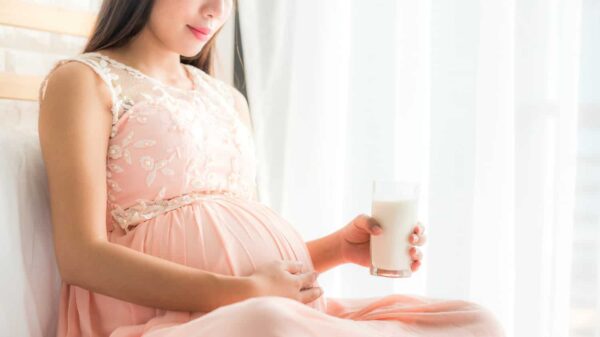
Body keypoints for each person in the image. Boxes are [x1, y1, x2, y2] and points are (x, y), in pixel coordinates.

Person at [37, 0, 505, 336]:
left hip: (263, 312)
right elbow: (80, 256)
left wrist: (339, 249)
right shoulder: (83, 81)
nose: (216, 9)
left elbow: (242, 255)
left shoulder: (226, 99)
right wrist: (241, 295)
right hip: (170, 317)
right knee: (272, 323)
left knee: (472, 321)